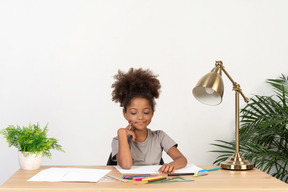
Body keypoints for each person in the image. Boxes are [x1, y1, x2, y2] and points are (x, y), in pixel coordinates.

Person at [111, 68, 187, 174]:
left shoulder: (160, 136)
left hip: (153, 184)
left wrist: (170, 165)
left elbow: (182, 159)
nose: (140, 117)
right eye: (134, 113)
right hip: (128, 186)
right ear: (125, 114)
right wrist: (121, 133)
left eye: (146, 112)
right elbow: (126, 165)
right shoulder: (118, 140)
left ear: (152, 113)